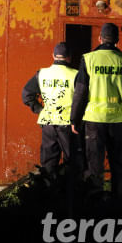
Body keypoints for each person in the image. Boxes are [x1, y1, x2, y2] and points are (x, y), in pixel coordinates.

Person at [71, 23, 122, 197]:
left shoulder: (88, 59)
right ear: (117, 40)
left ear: (100, 38)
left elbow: (80, 91)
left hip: (95, 121)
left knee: (94, 166)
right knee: (118, 165)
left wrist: (75, 119)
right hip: (119, 122)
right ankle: (118, 203)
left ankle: (95, 204)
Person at [22, 42, 80, 180]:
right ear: (69, 57)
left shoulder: (41, 74)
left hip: (48, 124)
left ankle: (49, 195)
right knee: (72, 165)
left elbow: (26, 95)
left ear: (53, 56)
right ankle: (69, 196)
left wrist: (40, 110)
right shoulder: (76, 75)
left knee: (48, 166)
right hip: (68, 125)